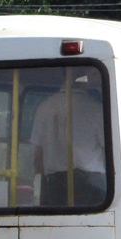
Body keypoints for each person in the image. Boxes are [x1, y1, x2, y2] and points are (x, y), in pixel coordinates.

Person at [30, 67, 106, 207]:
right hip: (90, 184)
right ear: (84, 77)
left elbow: (38, 157)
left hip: (55, 184)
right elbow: (110, 148)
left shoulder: (44, 108)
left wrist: (42, 189)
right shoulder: (94, 108)